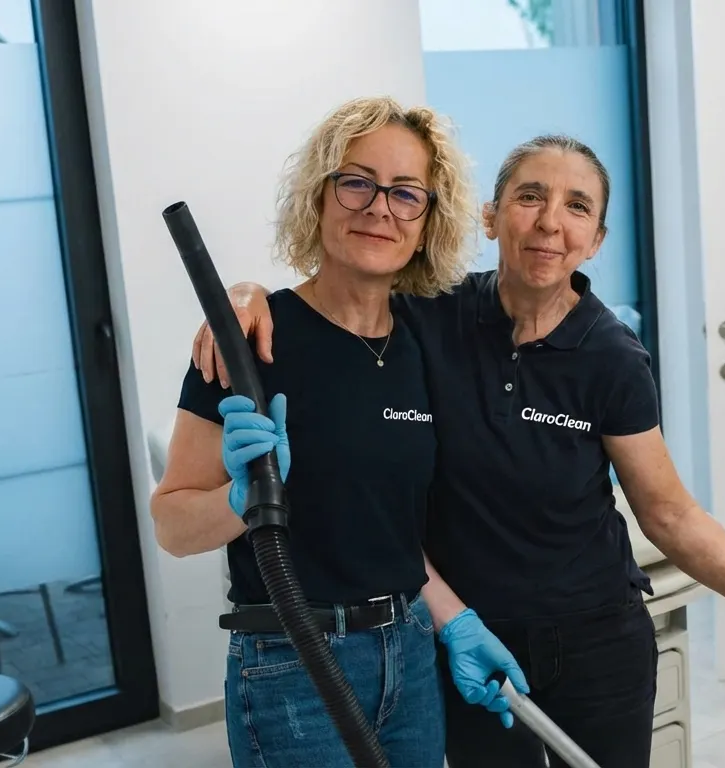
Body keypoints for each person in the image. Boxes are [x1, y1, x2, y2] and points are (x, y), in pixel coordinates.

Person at [192, 134, 725, 768]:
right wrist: (246, 296)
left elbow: (669, 511)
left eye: (577, 206)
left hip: (596, 640)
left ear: (596, 239)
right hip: (466, 635)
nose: (550, 222)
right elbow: (339, 300)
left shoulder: (612, 357)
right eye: (530, 196)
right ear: (490, 216)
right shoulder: (431, 316)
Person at [150, 96, 493, 767]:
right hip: (292, 666)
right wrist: (237, 501)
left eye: (406, 193)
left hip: (410, 655)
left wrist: (456, 622)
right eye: (357, 182)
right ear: (319, 196)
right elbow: (171, 525)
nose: (379, 208)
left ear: (428, 221)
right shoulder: (249, 342)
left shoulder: (422, 339)